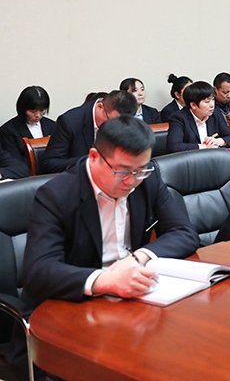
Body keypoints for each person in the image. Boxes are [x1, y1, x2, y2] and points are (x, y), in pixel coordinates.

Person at [22, 115, 199, 307]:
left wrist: (138, 257)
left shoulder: (147, 179)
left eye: (140, 170)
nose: (131, 181)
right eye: (122, 171)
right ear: (94, 157)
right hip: (75, 302)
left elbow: (184, 232)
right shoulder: (56, 195)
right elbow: (39, 271)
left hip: (133, 296)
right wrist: (106, 280)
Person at [40, 90, 137, 173]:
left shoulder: (122, 124)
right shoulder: (69, 122)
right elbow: (50, 164)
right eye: (112, 121)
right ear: (100, 107)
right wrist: (92, 160)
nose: (116, 128)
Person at [166, 81, 230, 152]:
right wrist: (202, 147)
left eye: (213, 100)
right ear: (193, 105)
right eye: (207, 102)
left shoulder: (215, 113)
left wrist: (218, 141)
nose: (212, 105)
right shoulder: (179, 118)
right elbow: (174, 146)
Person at [0, 86, 57, 166]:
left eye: (42, 110)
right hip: (25, 172)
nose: (38, 115)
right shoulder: (8, 130)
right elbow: (15, 163)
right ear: (23, 109)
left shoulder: (52, 125)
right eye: (33, 111)